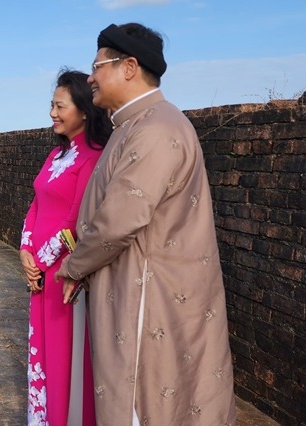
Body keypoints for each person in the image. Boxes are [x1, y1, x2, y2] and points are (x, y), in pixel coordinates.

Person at [55, 23, 236, 425]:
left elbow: (119, 220)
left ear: (129, 67)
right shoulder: (133, 125)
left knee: (144, 401)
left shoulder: (155, 129)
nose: (91, 77)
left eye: (98, 66)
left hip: (149, 296)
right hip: (133, 284)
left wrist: (72, 267)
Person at [20, 69, 112, 425]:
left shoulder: (95, 157)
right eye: (52, 105)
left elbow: (76, 219)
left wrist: (42, 263)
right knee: (41, 350)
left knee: (65, 357)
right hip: (39, 275)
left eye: (60, 106)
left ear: (85, 110)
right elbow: (36, 204)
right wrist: (26, 250)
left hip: (65, 275)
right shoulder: (56, 155)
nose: (53, 113)